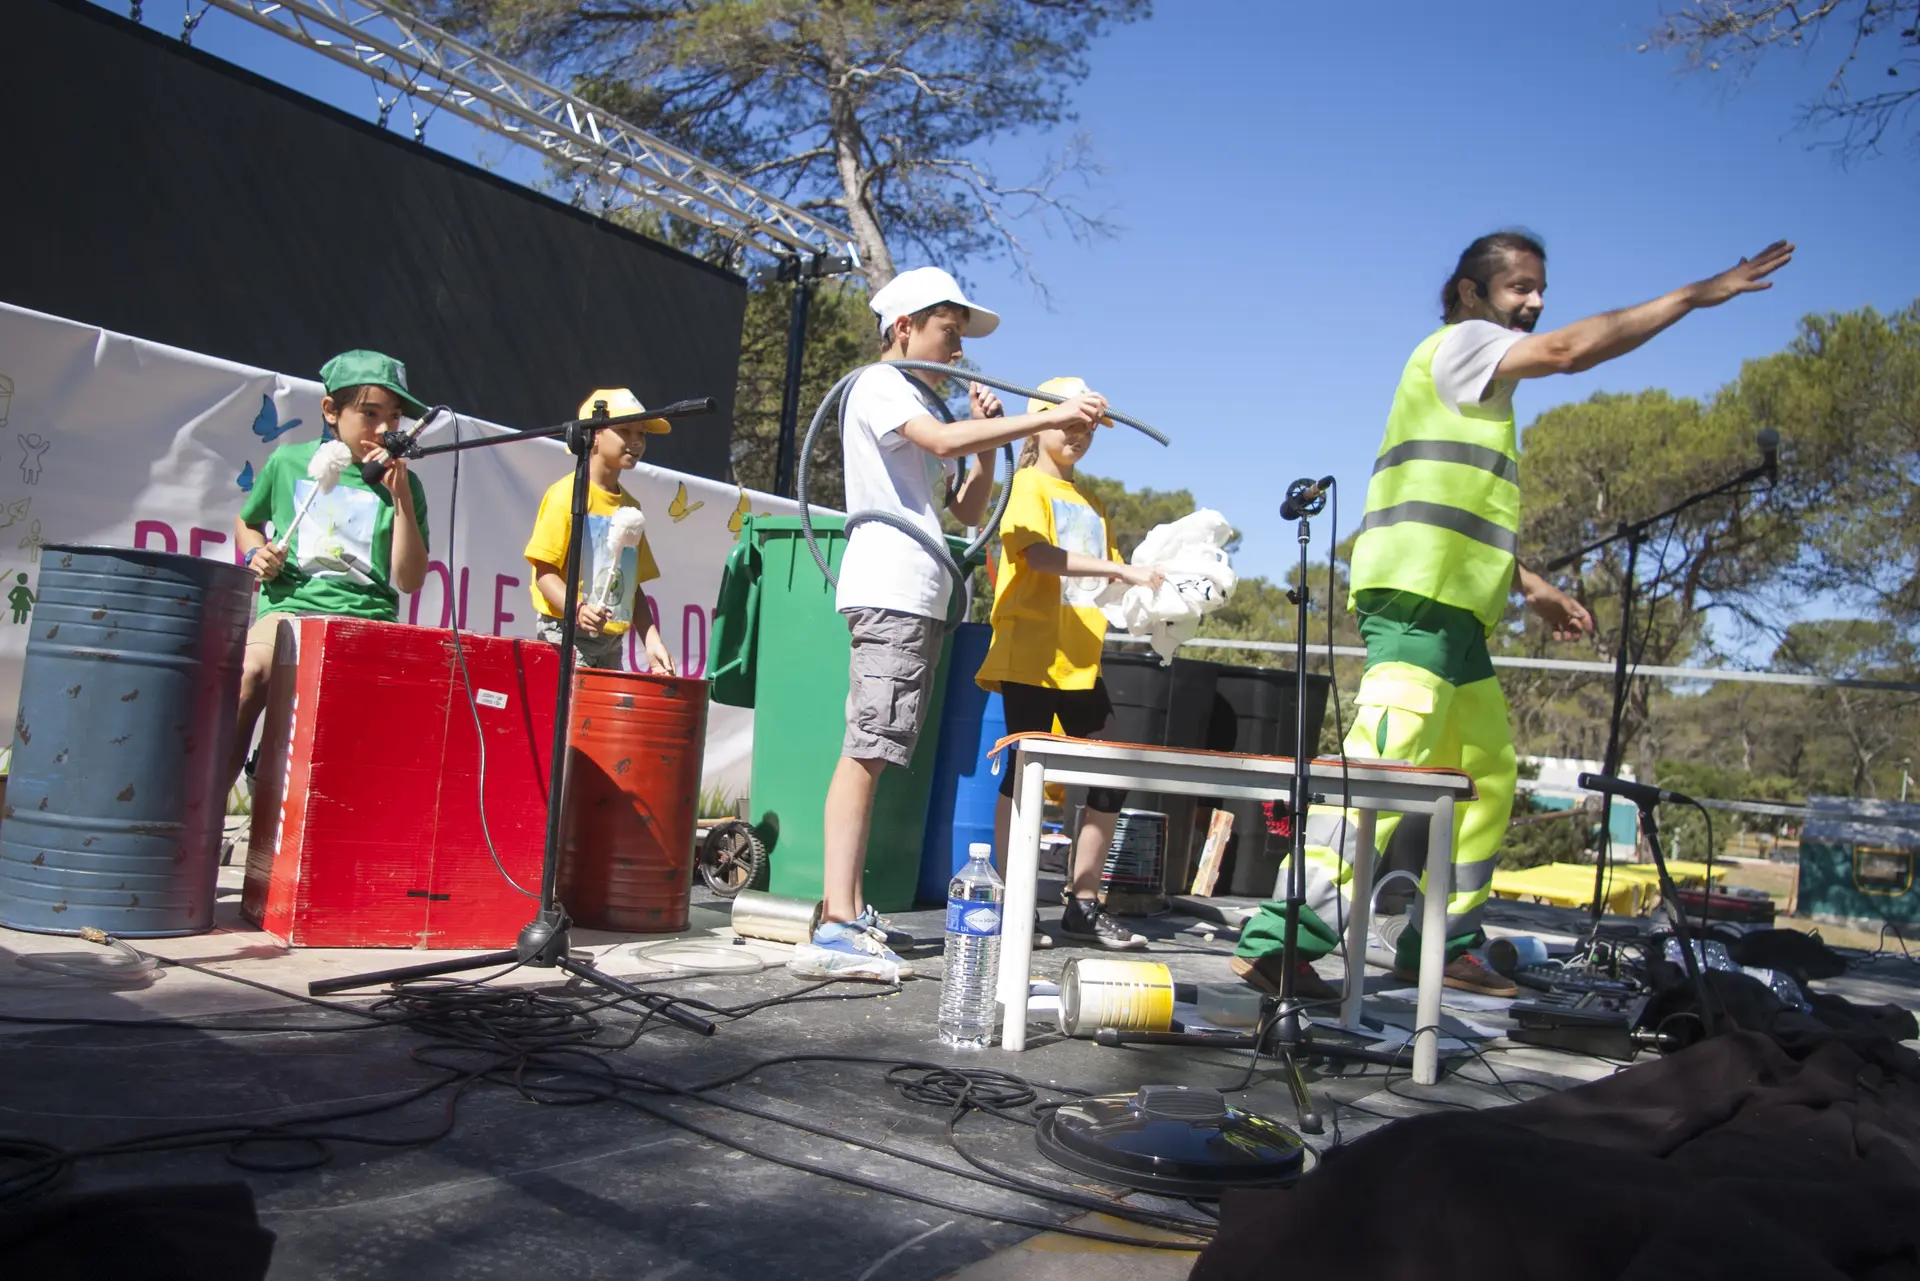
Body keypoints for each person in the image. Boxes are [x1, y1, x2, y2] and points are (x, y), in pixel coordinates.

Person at [1233, 230, 1795, 1000]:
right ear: (1470, 293)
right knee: (1380, 768)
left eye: (1539, 292)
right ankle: (1280, 939)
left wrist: (1529, 583)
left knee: (1487, 774)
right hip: (1415, 602)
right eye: (1518, 288)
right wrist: (1695, 295)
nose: (1532, 303)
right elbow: (1570, 351)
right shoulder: (1464, 343)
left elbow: (1457, 511)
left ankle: (1439, 939)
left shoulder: (1482, 387)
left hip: (1458, 617)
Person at [789, 267, 1111, 983]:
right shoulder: (879, 385)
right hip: (892, 588)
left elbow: (968, 509)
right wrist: (1045, 418)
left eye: (959, 336)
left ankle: (848, 907)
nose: (956, 348)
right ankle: (836, 918)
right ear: (903, 325)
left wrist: (992, 443)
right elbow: (938, 443)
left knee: (878, 745)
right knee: (868, 746)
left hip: (918, 590)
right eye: (947, 330)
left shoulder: (914, 395)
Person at [976, 377, 1163, 951]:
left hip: (1082, 660)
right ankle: (1012, 901)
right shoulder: (1026, 485)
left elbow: (1110, 578)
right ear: (1040, 423)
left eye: (1087, 427)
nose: (1079, 435)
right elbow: (1037, 556)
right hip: (1030, 655)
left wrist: (1162, 593)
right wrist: (1119, 570)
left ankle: (1083, 904)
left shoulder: (1095, 503)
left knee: (1113, 771)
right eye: (1069, 422)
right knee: (1025, 774)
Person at [231, 350, 432, 787]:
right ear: (331, 410)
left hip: (365, 620)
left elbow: (411, 580)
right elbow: (247, 523)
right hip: (292, 608)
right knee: (248, 674)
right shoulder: (288, 462)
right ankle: (204, 808)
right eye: (369, 414)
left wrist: (401, 501)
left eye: (394, 418)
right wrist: (256, 554)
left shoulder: (406, 485)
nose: (382, 430)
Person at [524, 388, 675, 674]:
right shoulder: (565, 494)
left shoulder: (631, 505)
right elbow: (544, 573)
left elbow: (631, 585)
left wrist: (651, 638)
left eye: (641, 433)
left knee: (595, 718)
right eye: (624, 430)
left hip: (612, 641)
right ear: (593, 435)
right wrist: (579, 610)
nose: (636, 441)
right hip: (564, 634)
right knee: (569, 714)